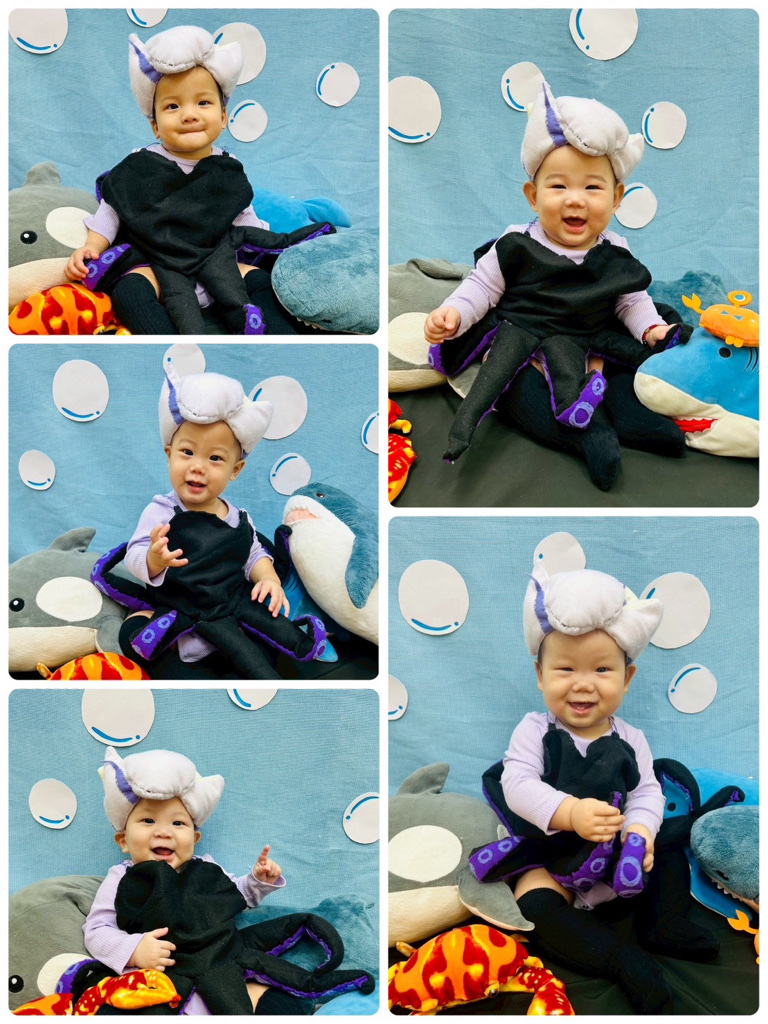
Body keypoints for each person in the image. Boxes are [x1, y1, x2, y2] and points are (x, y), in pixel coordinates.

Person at [475, 565, 718, 1014]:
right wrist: (569, 813)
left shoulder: (631, 739)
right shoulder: (534, 731)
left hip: (619, 860)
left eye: (602, 669)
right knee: (534, 901)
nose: (583, 683)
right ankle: (620, 960)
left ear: (627, 678)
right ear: (540, 674)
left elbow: (647, 793)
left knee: (668, 853)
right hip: (555, 855)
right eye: (565, 668)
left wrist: (640, 832)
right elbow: (517, 784)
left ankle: (662, 923)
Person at [424, 81, 687, 490]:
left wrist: (650, 327)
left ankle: (637, 422)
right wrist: (454, 313)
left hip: (593, 340)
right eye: (559, 186)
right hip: (525, 341)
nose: (575, 199)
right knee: (517, 390)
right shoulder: (516, 243)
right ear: (533, 195)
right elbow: (482, 287)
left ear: (617, 198)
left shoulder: (616, 250)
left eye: (593, 187)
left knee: (626, 374)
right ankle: (587, 438)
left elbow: (630, 301)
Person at [64, 25, 330, 335]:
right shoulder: (140, 166)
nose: (189, 114)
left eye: (203, 102)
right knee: (130, 289)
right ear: (155, 126)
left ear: (223, 117)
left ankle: (280, 341)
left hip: (217, 258)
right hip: (157, 260)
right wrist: (92, 246)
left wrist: (265, 252)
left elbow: (243, 217)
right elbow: (113, 210)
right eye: (172, 106)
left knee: (259, 280)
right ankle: (167, 342)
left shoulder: (228, 168)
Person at [106, 364, 331, 679]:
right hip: (182, 616)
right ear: (169, 454)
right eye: (187, 452)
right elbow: (135, 554)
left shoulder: (238, 517)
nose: (198, 467)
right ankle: (182, 670)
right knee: (140, 639)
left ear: (234, 470)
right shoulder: (162, 510)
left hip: (233, 610)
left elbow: (254, 554)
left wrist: (268, 578)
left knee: (262, 649)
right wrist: (154, 559)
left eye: (215, 458)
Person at [83, 745, 312, 1015]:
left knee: (274, 1001)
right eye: (148, 820)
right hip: (160, 980)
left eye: (178, 823)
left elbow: (236, 896)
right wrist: (134, 950)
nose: (164, 832)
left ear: (195, 839)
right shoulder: (121, 878)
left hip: (214, 971)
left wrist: (258, 880)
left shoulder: (206, 870)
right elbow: (97, 930)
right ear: (123, 840)